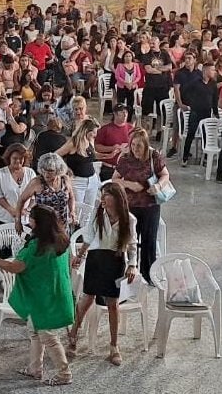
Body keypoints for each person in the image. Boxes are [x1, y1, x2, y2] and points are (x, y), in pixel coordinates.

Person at [0, 205, 74, 386]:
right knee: (34, 331)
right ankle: (35, 368)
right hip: (56, 293)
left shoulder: (38, 246)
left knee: (48, 337)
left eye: (31, 218)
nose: (29, 220)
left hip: (42, 298)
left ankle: (64, 373)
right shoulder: (61, 240)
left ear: (37, 222)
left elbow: (15, 267)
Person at [66, 183, 138, 366]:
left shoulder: (129, 219)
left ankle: (114, 346)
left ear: (116, 198)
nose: (102, 199)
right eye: (102, 195)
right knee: (87, 298)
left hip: (115, 261)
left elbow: (132, 245)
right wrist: (80, 256)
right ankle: (74, 334)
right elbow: (89, 237)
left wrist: (132, 265)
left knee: (113, 304)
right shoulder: (98, 214)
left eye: (106, 195)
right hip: (96, 259)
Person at [111, 128, 169, 285]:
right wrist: (129, 184)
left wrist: (158, 186)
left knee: (149, 241)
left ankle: (149, 274)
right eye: (133, 145)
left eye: (139, 146)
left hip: (150, 205)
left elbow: (165, 175)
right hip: (130, 205)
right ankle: (130, 270)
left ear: (146, 146)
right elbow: (114, 179)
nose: (135, 149)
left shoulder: (154, 156)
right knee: (130, 239)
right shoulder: (126, 159)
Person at [18, 152, 76, 233]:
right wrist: (18, 221)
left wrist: (72, 211)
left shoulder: (65, 180)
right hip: (42, 227)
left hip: (62, 226)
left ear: (58, 170)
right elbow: (21, 200)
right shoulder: (36, 182)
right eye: (43, 170)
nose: (46, 174)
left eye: (50, 171)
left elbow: (71, 197)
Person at [57, 119, 99, 220]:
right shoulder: (73, 143)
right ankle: (75, 229)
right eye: (93, 132)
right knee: (76, 211)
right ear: (86, 131)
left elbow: (93, 156)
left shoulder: (90, 140)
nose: (95, 135)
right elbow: (56, 155)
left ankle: (86, 229)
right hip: (77, 180)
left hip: (92, 179)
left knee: (89, 210)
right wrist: (65, 168)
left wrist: (109, 155)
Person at [0, 143, 36, 226]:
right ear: (9, 158)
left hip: (25, 219)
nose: (18, 161)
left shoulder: (30, 173)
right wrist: (11, 210)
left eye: (21, 158)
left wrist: (27, 209)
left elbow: (35, 196)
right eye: (15, 158)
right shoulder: (0, 173)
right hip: (3, 219)